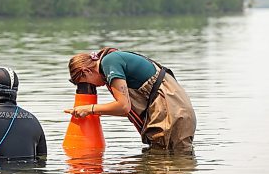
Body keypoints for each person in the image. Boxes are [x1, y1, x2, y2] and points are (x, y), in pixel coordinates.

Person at [65, 47, 196, 150]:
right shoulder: (111, 60)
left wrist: (90, 109)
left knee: (167, 164)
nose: (92, 87)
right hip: (174, 109)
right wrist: (92, 111)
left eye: (84, 83)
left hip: (171, 112)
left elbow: (123, 107)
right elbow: (126, 109)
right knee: (171, 160)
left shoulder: (109, 62)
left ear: (86, 71)